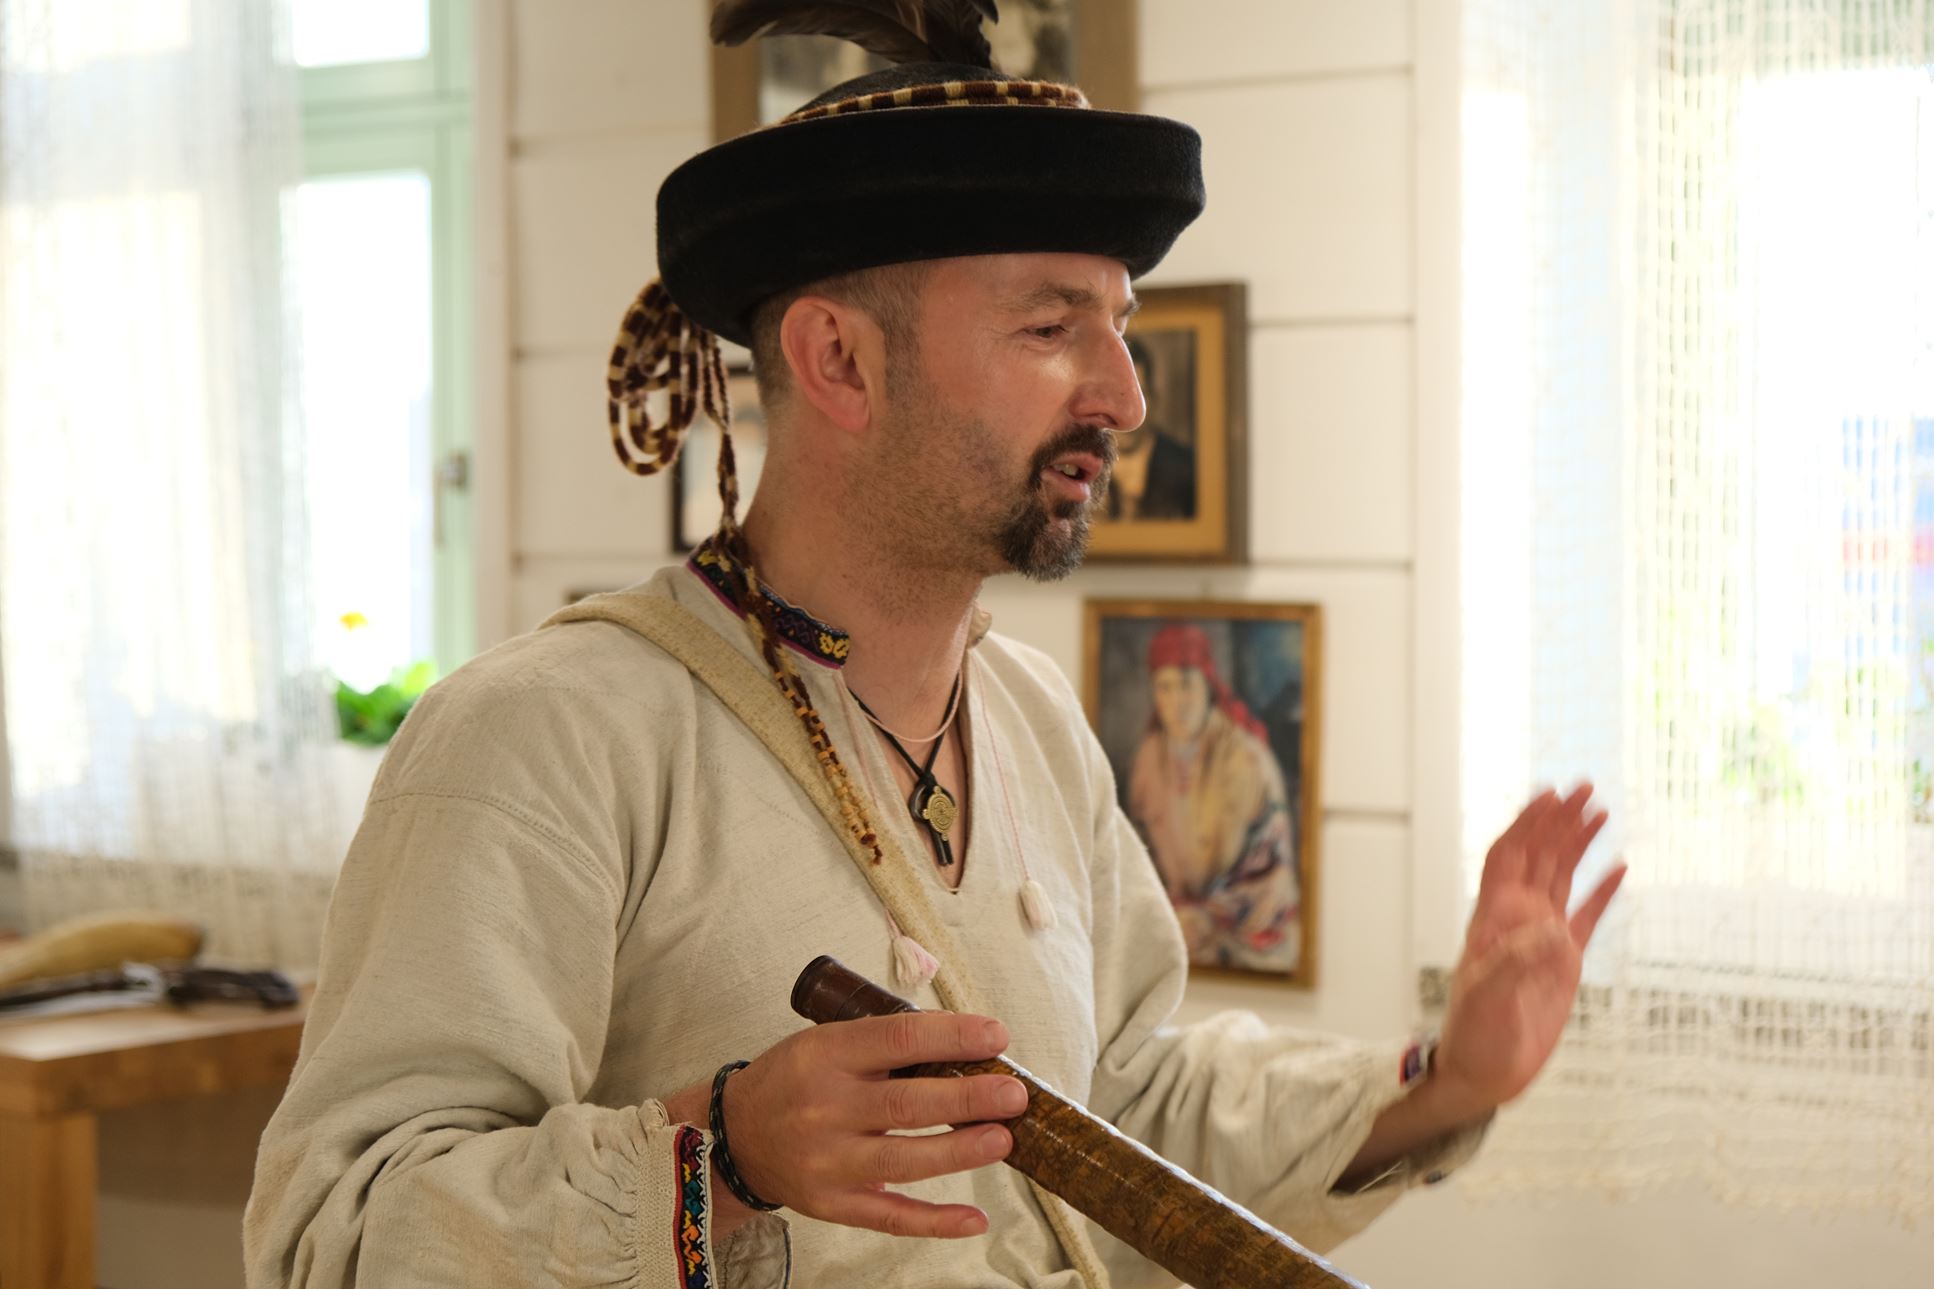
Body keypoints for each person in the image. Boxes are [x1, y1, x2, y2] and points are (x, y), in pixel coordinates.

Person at [243, 5, 1628, 1287]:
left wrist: (1442, 1080)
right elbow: (335, 1236)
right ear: (838, 360)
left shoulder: (1027, 716)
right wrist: (723, 1154)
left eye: (1119, 326)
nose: (1123, 393)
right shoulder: (546, 734)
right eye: (1050, 327)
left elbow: (1119, 1111)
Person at [1126, 623, 1300, 973]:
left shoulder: (1248, 758)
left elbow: (1274, 868)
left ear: (1208, 686)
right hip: (1169, 929)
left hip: (1243, 933)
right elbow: (1133, 856)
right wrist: (1170, 912)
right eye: (1165, 687)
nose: (1177, 702)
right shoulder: (1148, 759)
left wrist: (1211, 915)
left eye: (1187, 685)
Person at [1103, 334, 1197, 521]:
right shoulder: (1079, 471)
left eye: (1140, 395)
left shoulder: (1188, 469)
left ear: (1155, 400)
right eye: (1114, 396)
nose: (1127, 415)